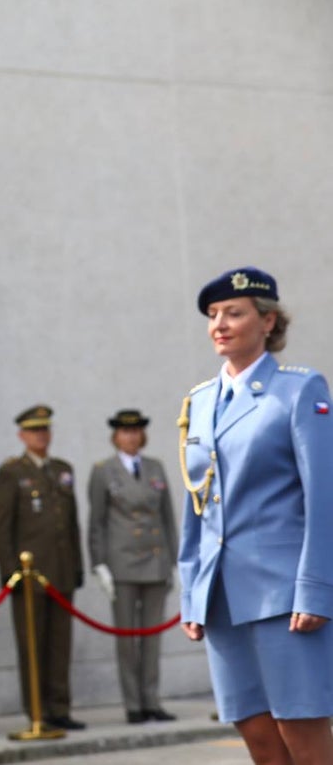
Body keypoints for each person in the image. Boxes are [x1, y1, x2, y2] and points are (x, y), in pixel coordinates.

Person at [179, 266, 333, 765]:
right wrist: (191, 593)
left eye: (234, 313)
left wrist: (316, 589)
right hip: (221, 595)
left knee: (301, 731)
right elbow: (195, 503)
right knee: (258, 736)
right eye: (213, 314)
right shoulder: (199, 403)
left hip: (284, 595)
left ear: (268, 322)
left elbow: (323, 497)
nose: (220, 324)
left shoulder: (300, 391)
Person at [0, 405, 85, 731]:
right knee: (33, 646)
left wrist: (77, 565)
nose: (40, 436)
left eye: (44, 430)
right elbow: (2, 527)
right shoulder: (12, 472)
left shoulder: (62, 469)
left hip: (60, 571)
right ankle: (37, 711)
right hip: (29, 576)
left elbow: (71, 524)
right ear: (22, 435)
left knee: (60, 645)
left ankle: (60, 708)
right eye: (34, 431)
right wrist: (8, 571)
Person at [87, 409, 178, 725]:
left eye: (136, 431)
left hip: (155, 561)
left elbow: (167, 518)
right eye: (126, 432)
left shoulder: (155, 467)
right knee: (127, 638)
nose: (131, 437)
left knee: (152, 637)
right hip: (122, 564)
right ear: (116, 437)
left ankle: (152, 699)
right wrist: (99, 563)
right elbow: (96, 522)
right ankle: (133, 704)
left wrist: (174, 560)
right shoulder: (104, 471)